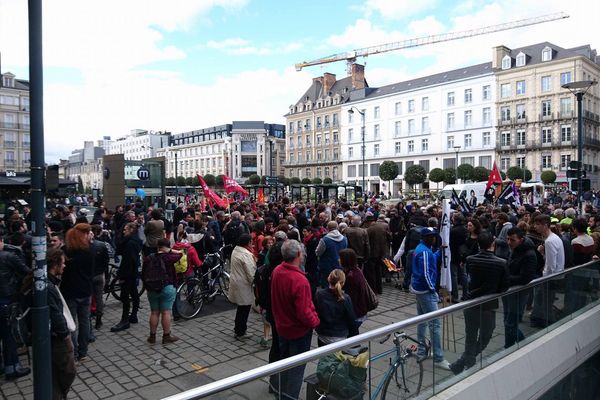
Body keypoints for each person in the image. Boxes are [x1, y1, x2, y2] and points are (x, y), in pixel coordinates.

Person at [450, 231, 509, 374]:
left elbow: (469, 276)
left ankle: (463, 363)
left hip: (471, 302)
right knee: (486, 335)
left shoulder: (471, 259)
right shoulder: (501, 263)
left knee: (470, 335)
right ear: (493, 244)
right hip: (488, 305)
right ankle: (467, 364)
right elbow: (504, 287)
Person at [271, 239, 320, 400]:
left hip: (282, 327)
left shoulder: (277, 270)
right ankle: (289, 397)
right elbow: (304, 312)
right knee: (296, 369)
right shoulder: (300, 280)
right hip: (298, 332)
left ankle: (280, 393)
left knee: (284, 363)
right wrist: (316, 322)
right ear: (299, 254)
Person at [411, 227, 451, 370]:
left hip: (419, 289)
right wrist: (433, 291)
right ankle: (438, 357)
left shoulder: (421, 249)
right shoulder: (425, 251)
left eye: (434, 236)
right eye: (431, 236)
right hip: (426, 291)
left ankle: (422, 350)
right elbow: (426, 274)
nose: (433, 238)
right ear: (424, 238)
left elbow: (429, 261)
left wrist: (439, 251)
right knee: (434, 324)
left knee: (422, 320)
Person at [61, 223, 95, 361]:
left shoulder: (65, 251)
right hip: (85, 289)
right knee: (85, 321)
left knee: (71, 322)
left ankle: (73, 351)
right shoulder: (89, 251)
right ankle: (83, 351)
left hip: (69, 290)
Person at [46, 247, 77, 399]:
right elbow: (56, 314)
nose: (64, 266)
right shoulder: (49, 287)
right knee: (67, 370)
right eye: (62, 263)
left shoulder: (47, 283)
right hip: (56, 336)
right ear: (55, 265)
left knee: (57, 372)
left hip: (51, 335)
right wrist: (66, 337)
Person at [0, 236, 31, 379]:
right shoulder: (8, 256)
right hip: (6, 299)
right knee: (9, 335)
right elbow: (28, 272)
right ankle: (12, 368)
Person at [503, 227, 537, 348]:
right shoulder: (516, 249)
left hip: (519, 292)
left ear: (521, 240)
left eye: (512, 240)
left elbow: (525, 278)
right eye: (508, 239)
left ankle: (525, 346)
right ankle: (508, 347)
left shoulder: (529, 254)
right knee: (508, 322)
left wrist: (505, 278)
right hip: (509, 290)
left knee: (510, 324)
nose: (509, 242)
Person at [531, 214, 565, 328]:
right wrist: (542, 252)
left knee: (545, 303)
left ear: (545, 225)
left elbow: (550, 266)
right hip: (556, 276)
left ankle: (549, 325)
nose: (535, 226)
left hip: (550, 279)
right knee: (546, 303)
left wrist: (544, 278)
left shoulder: (549, 241)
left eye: (537, 224)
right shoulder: (554, 238)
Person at [146, 238, 182, 344]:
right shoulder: (169, 257)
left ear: (157, 247)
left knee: (154, 312)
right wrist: (170, 250)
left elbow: (143, 273)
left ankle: (152, 336)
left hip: (152, 288)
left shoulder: (149, 258)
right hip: (167, 286)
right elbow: (180, 254)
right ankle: (166, 336)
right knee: (166, 312)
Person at [111, 222, 143, 332]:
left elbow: (128, 261)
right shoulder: (132, 241)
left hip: (128, 273)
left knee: (125, 296)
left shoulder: (130, 244)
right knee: (133, 293)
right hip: (132, 272)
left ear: (131, 230)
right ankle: (133, 315)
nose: (124, 231)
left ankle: (125, 320)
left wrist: (122, 276)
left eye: (125, 229)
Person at [314, 269, 357, 346]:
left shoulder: (319, 294)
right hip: (340, 335)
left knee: (324, 357)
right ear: (343, 283)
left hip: (323, 334)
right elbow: (351, 319)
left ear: (328, 279)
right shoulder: (345, 298)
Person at [229, 234, 257, 340]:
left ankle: (238, 329)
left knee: (241, 308)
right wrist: (255, 282)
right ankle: (240, 331)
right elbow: (251, 273)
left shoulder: (236, 250)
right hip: (243, 284)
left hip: (236, 281)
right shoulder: (246, 254)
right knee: (244, 308)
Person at [339, 248, 370, 335]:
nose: (338, 260)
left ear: (345, 261)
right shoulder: (355, 270)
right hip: (359, 310)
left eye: (340, 258)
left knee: (351, 335)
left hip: (356, 313)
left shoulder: (351, 277)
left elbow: (351, 300)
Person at [315, 221, 347, 288]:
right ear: (337, 227)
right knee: (338, 284)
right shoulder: (344, 239)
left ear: (328, 228)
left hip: (327, 267)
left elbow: (317, 252)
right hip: (339, 265)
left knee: (327, 286)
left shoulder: (324, 240)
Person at [90, 225, 110, 330]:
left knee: (89, 298)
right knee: (99, 298)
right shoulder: (101, 245)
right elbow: (106, 261)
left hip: (89, 276)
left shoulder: (83, 246)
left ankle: (88, 319)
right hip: (99, 274)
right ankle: (98, 320)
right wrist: (105, 275)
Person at [365, 215, 391, 294]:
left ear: (369, 222)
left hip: (372, 253)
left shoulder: (369, 230)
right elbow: (389, 237)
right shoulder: (382, 228)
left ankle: (374, 290)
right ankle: (380, 289)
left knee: (371, 272)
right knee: (378, 270)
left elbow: (367, 242)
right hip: (382, 252)